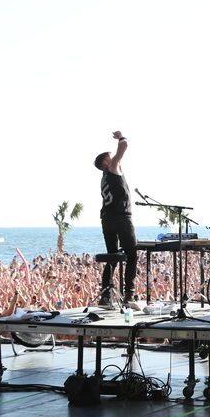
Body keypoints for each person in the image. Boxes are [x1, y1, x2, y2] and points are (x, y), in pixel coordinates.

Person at [93, 131, 138, 308]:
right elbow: (124, 146)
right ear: (106, 161)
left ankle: (105, 296)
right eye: (111, 157)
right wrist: (120, 136)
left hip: (107, 218)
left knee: (113, 256)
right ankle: (129, 295)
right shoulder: (112, 169)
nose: (115, 159)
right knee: (132, 254)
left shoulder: (104, 178)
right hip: (121, 217)